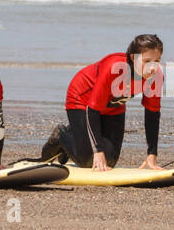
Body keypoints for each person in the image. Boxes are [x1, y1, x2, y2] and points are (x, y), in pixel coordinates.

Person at [40, 35, 165, 171]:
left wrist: (152, 155)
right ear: (133, 58)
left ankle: (78, 136)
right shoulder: (113, 69)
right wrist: (98, 151)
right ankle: (61, 136)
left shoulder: (156, 77)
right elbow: (92, 109)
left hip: (113, 106)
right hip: (83, 100)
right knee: (88, 161)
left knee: (110, 161)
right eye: (147, 61)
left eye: (156, 61)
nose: (152, 68)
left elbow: (152, 115)